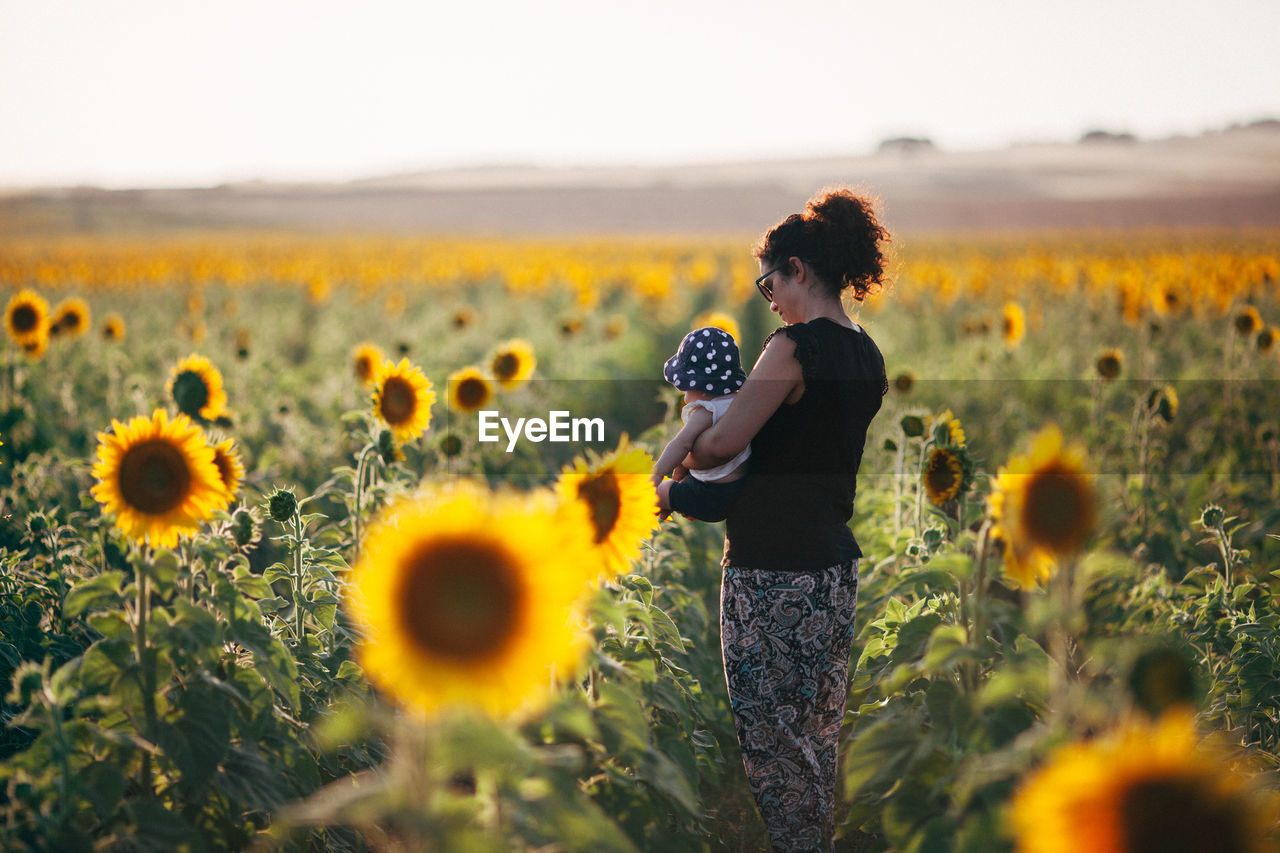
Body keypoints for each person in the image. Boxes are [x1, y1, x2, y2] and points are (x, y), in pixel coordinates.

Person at [683, 187, 889, 853]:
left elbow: (720, 444)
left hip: (772, 572)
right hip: (831, 571)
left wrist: (694, 414)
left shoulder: (791, 348)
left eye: (768, 281)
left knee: (774, 748)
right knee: (815, 740)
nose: (766, 295)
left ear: (798, 269)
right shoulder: (866, 354)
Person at [651, 327, 750, 522]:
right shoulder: (739, 404)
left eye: (686, 388)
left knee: (657, 493)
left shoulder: (707, 411)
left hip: (707, 494)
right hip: (735, 491)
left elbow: (681, 444)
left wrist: (657, 473)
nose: (685, 396)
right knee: (676, 492)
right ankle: (677, 503)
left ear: (703, 387)